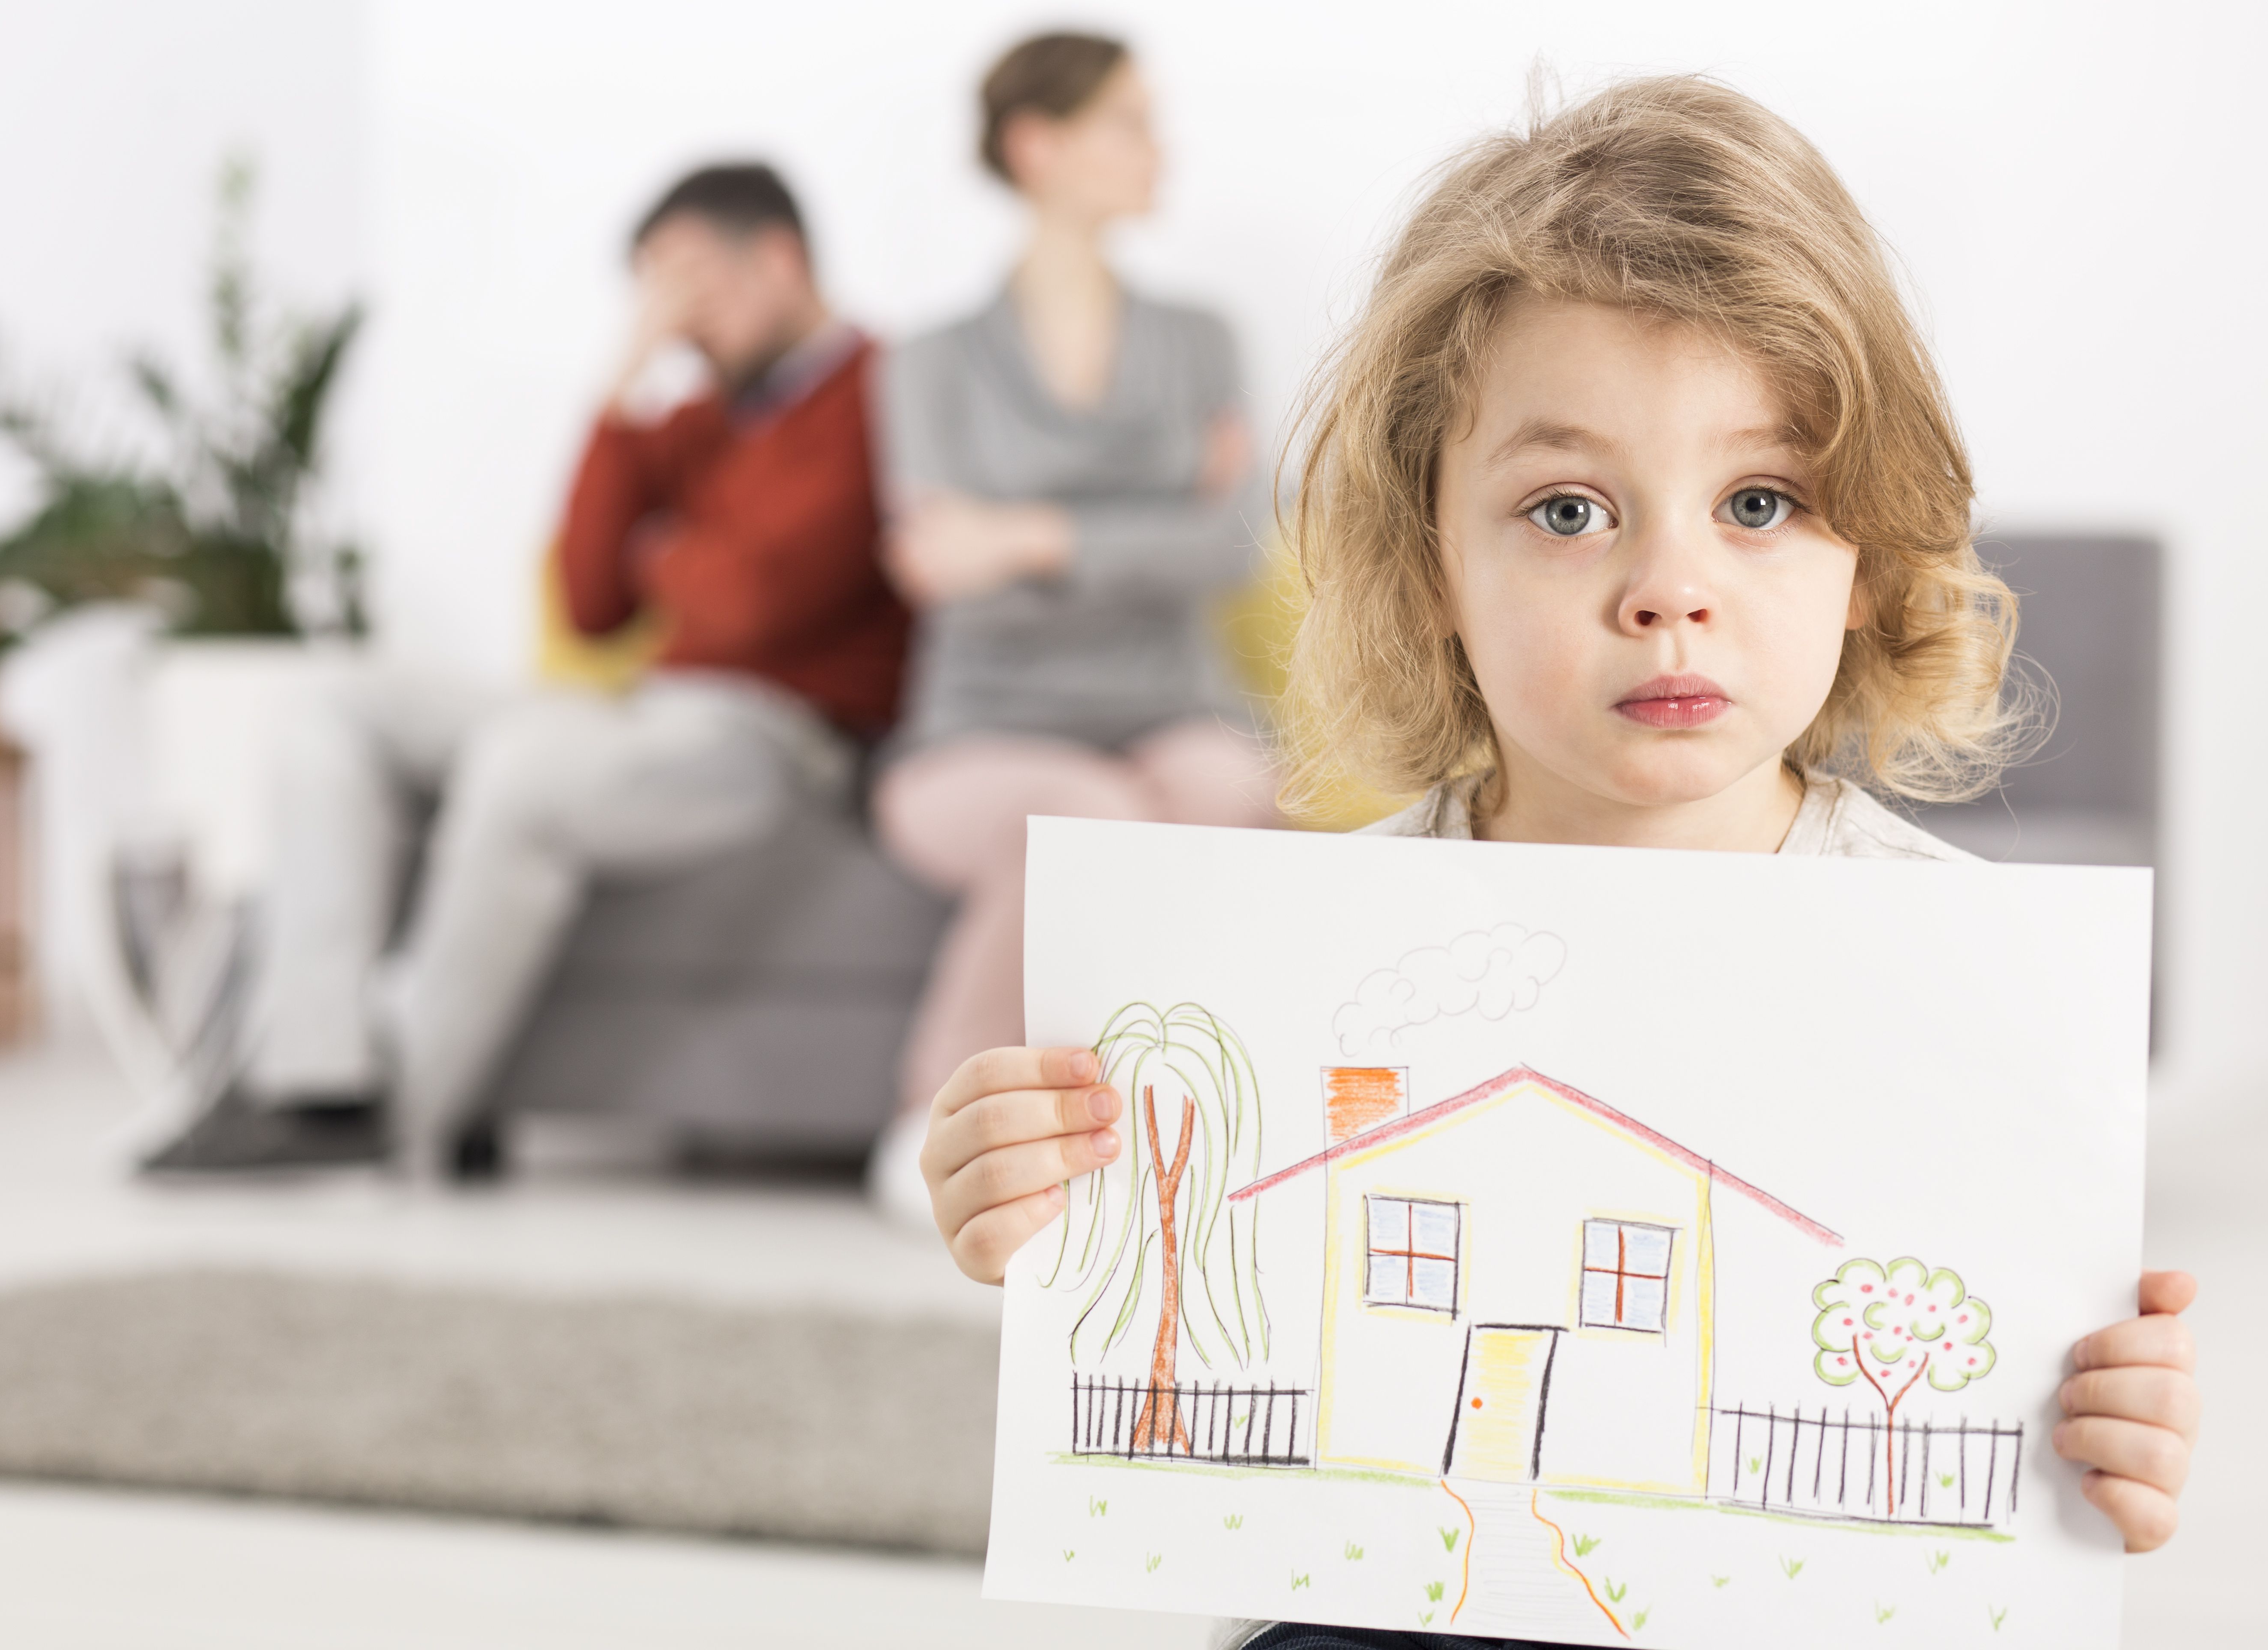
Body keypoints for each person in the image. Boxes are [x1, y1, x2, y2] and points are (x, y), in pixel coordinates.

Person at [911, 77, 2203, 1647]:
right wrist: (1030, 1211)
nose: (1671, 587)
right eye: (1570, 508)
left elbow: (2015, 1436)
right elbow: (1174, 1311)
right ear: (1431, 565)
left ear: (1869, 552)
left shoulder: (1968, 976)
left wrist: (2103, 1445)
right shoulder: (1295, 960)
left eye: (1760, 501)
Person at [142, 162, 907, 1179]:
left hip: (779, 735)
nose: (682, 323)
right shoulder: (694, 423)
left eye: (695, 289)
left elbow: (757, 601)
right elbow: (594, 601)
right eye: (655, 298)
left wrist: (673, 556)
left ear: (781, 258)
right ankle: (316, 1083)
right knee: (336, 710)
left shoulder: (888, 390)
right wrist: (617, 388)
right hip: (640, 711)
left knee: (523, 768)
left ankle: (392, 1128)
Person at [866, 32, 1278, 1219]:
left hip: (1170, 701)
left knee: (1221, 796)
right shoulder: (931, 361)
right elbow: (944, 570)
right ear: (1037, 147)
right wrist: (1142, 516)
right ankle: (931, 1119)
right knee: (1087, 817)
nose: (1159, 149)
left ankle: (1181, 1131)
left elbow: (1230, 546)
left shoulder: (1200, 341)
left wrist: (1025, 535)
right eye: (1128, 123)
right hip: (978, 729)